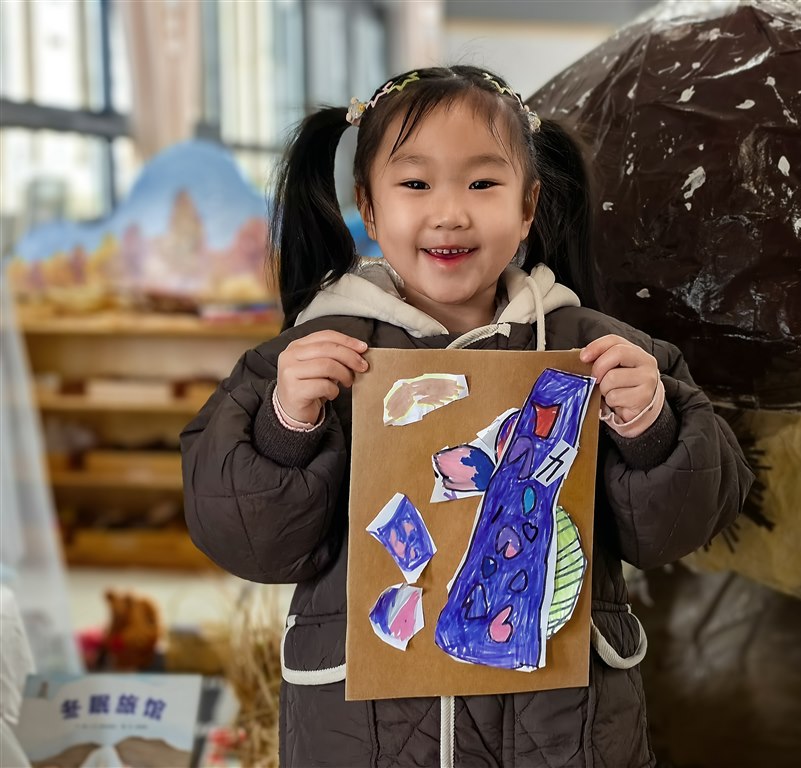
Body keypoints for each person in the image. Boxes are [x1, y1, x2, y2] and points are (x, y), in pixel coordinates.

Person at [181, 65, 753, 767]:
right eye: (416, 184)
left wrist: (650, 429)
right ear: (368, 205)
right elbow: (248, 541)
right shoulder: (310, 362)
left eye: (482, 183)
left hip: (560, 729)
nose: (450, 213)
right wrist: (285, 426)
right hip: (364, 734)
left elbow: (679, 528)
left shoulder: (600, 355)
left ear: (528, 206)